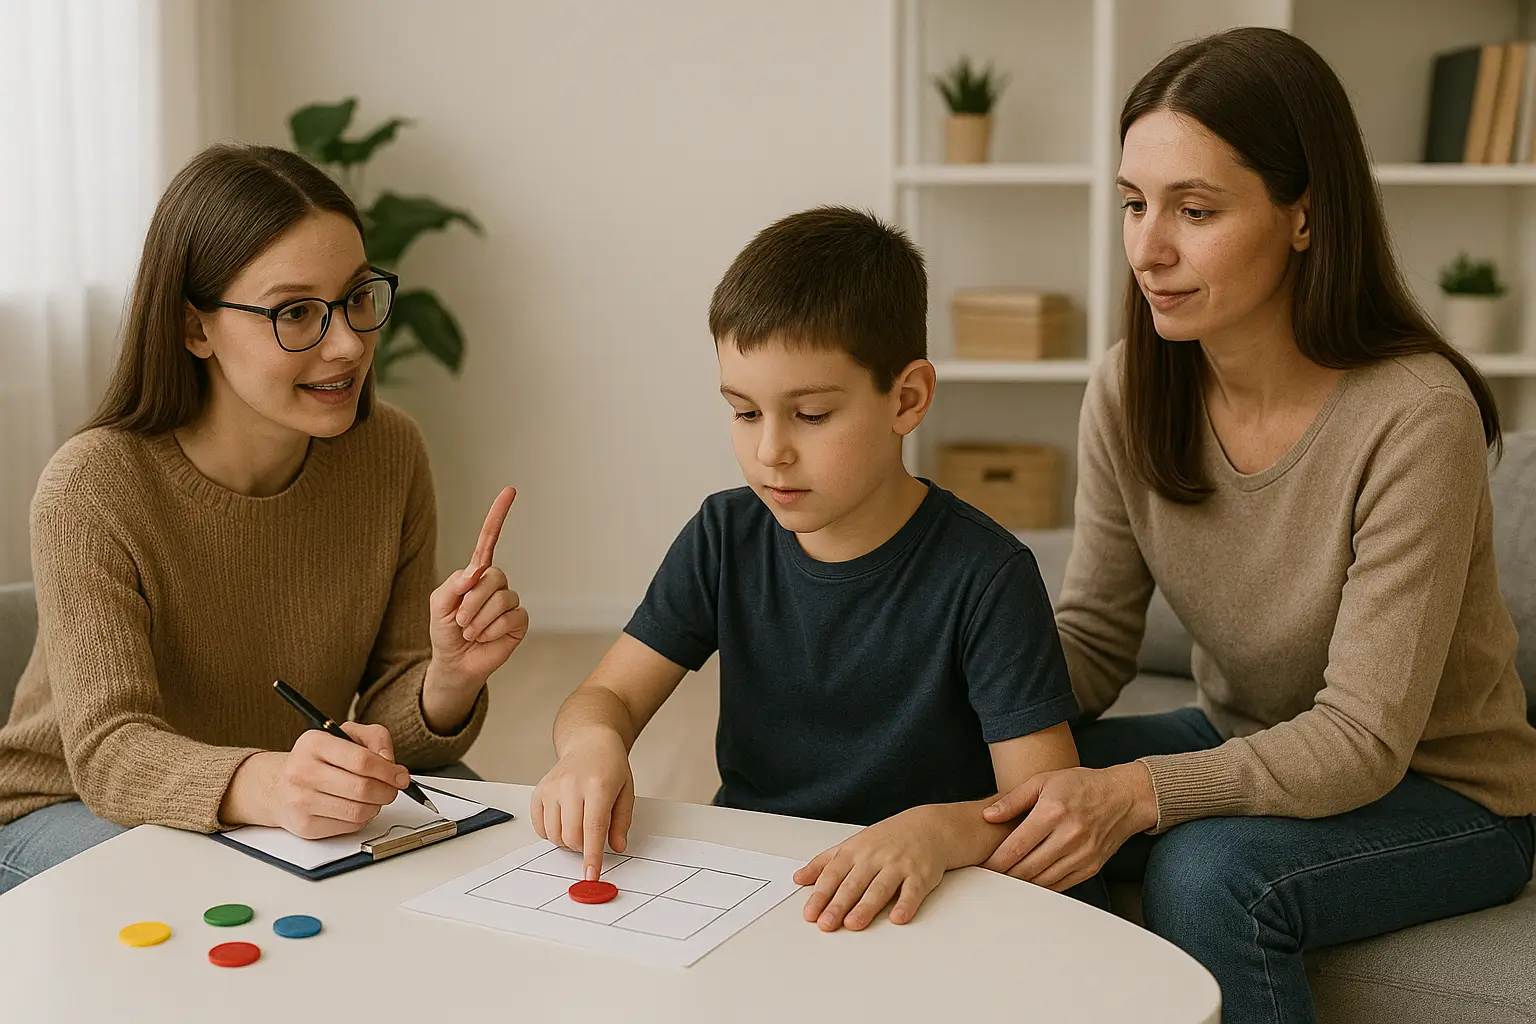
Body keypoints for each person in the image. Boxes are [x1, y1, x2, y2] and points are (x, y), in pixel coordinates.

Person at [973, 28, 1536, 1021]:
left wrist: (1135, 792)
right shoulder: (1129, 386)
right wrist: (946, 699)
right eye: (1134, 204)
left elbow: (1362, 738)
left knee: (1208, 873)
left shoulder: (1416, 414)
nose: (1149, 249)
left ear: (1304, 215)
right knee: (1008, 787)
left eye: (1195, 210)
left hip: (1446, 792)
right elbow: (1094, 640)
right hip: (1244, 732)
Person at [531, 206, 1084, 932]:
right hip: (759, 882)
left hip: (922, 899)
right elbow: (606, 695)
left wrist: (939, 833)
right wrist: (592, 744)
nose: (771, 452)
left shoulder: (987, 575)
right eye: (745, 413)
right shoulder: (724, 535)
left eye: (812, 415)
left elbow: (1049, 805)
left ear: (907, 399)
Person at [0, 143, 527, 894]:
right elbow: (111, 754)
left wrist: (446, 677)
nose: (347, 343)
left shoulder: (388, 453)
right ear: (195, 329)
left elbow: (392, 719)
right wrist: (271, 785)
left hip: (275, 802)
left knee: (470, 860)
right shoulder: (93, 488)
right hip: (68, 809)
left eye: (356, 298)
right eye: (295, 312)